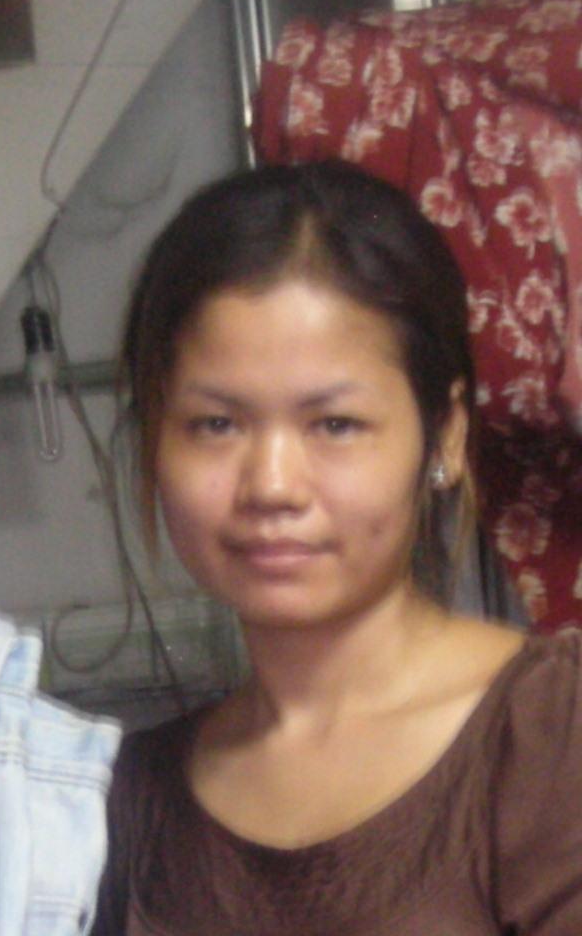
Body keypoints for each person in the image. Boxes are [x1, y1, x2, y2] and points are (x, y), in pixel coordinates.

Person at [91, 160, 582, 934]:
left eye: (336, 425)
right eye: (215, 424)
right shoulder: (128, 798)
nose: (272, 486)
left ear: (446, 436)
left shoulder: (551, 733)